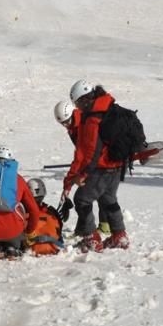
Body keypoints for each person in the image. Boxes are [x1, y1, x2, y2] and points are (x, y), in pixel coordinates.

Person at [64, 80, 129, 253]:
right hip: (116, 165)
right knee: (108, 200)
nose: (77, 107)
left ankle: (91, 238)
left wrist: (82, 174)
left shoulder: (93, 118)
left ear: (85, 99)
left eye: (77, 102)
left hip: (102, 168)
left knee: (82, 200)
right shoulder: (107, 107)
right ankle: (119, 235)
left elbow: (91, 150)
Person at [54, 99, 109, 234]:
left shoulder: (83, 125)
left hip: (103, 163)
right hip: (97, 163)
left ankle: (88, 231)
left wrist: (68, 183)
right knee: (101, 193)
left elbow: (81, 156)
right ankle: (103, 226)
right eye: (62, 123)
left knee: (83, 197)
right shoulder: (74, 126)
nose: (66, 125)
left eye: (67, 121)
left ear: (73, 113)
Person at [25, 178, 64, 255]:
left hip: (30, 248)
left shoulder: (23, 212)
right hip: (53, 246)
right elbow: (59, 234)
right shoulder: (51, 211)